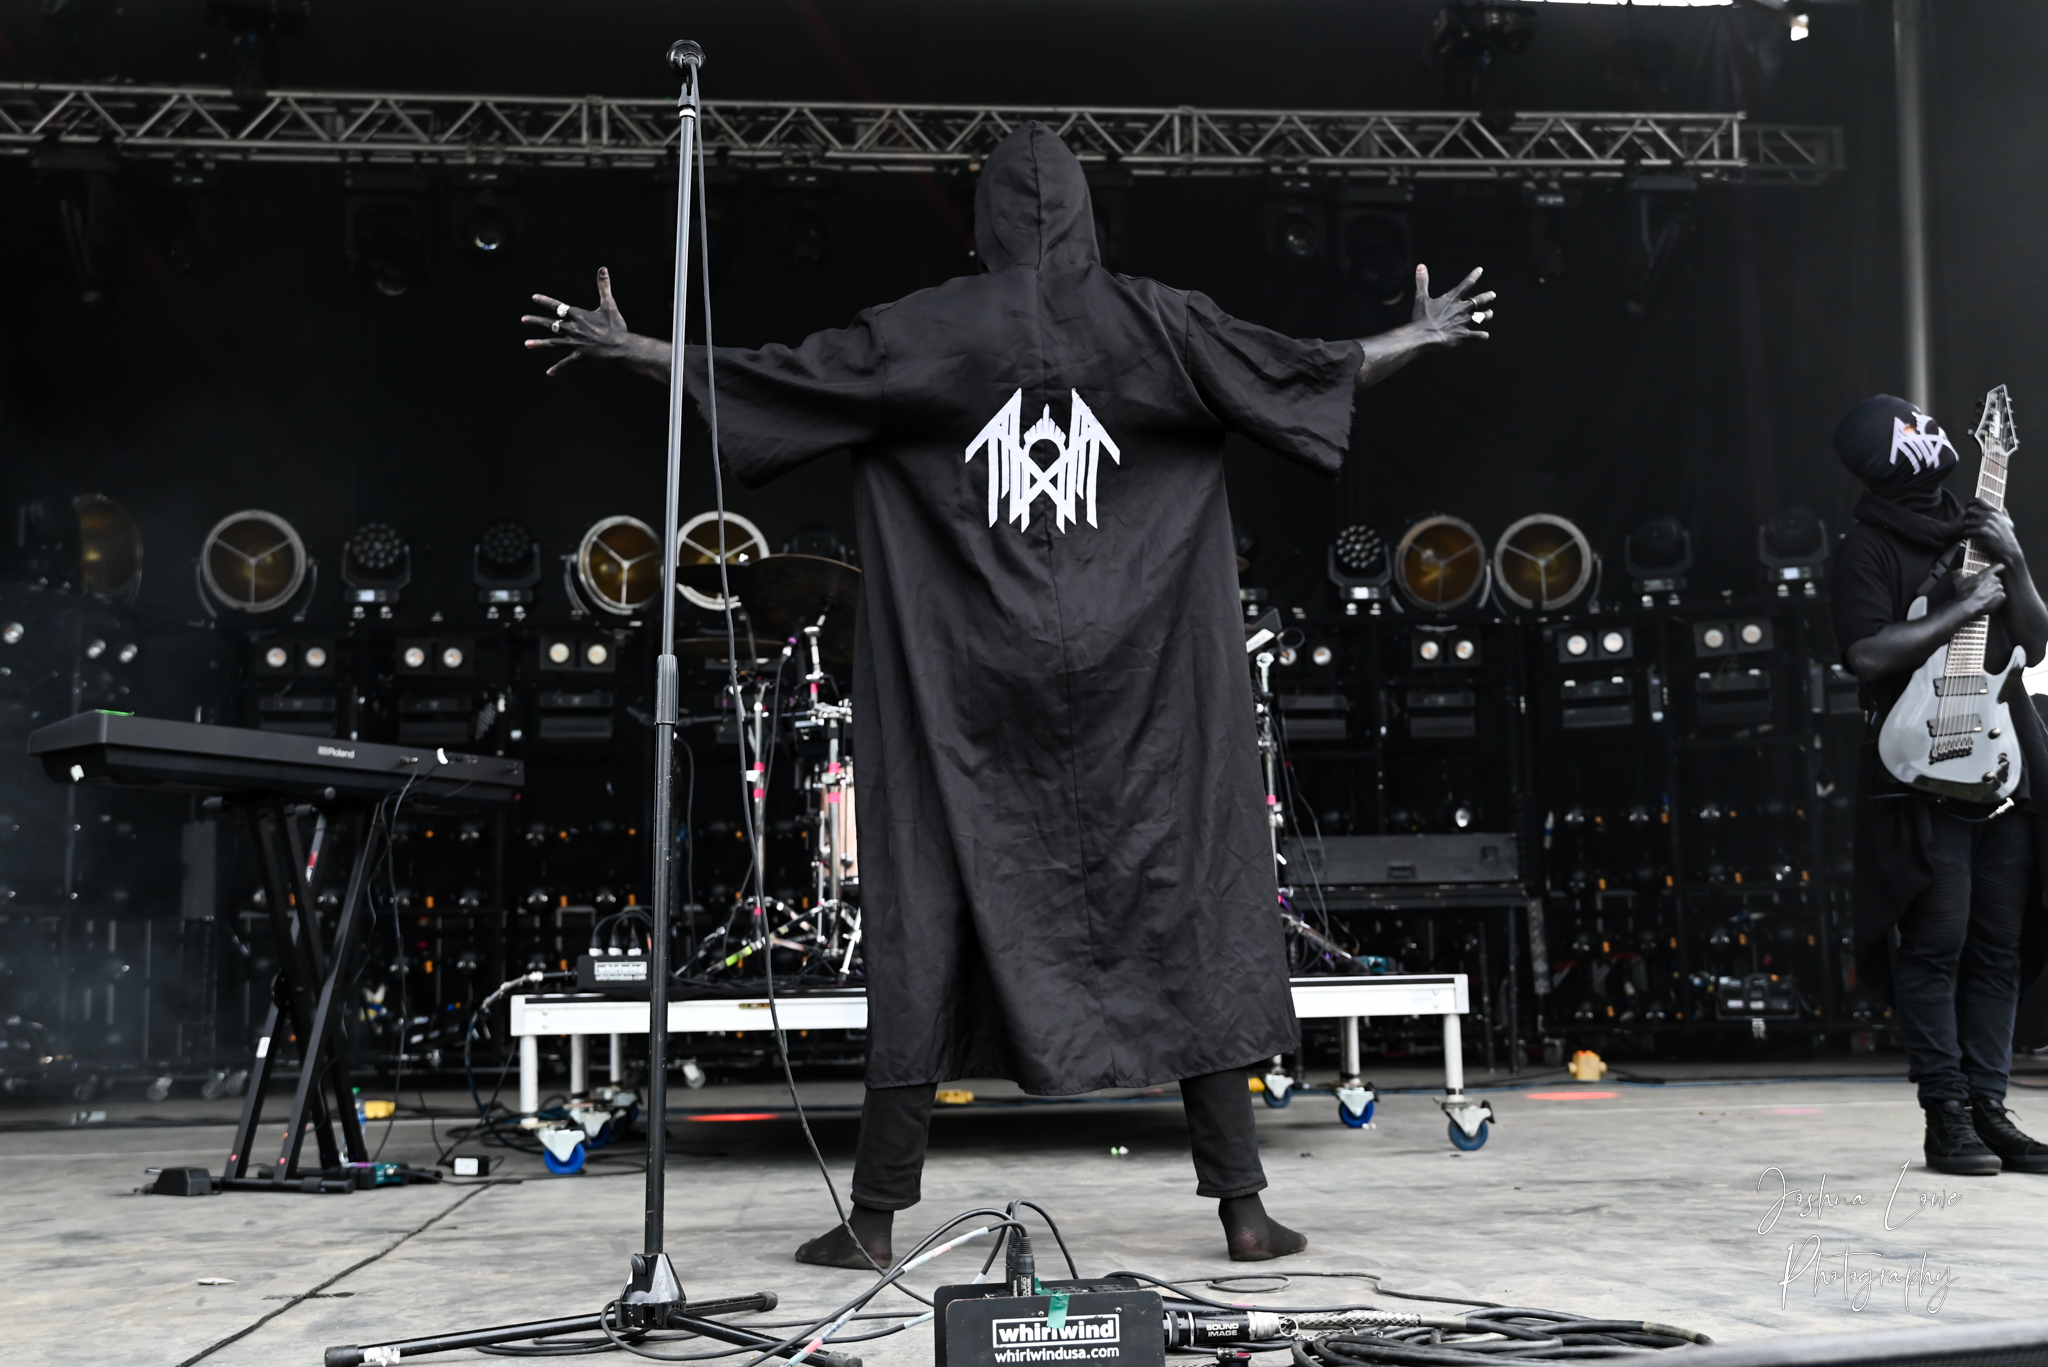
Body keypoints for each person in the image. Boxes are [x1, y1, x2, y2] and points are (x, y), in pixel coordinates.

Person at [522, 123, 1497, 1262]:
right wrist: (1417, 333)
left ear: (981, 226)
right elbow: (1309, 369)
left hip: (966, 704)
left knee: (927, 918)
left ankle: (875, 1219)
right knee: (1185, 905)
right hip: (1144, 699)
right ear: (1085, 217)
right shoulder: (1158, 321)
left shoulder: (921, 330)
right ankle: (1242, 1209)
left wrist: (634, 347)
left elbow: (767, 380)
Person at [1831, 393, 2048, 1177]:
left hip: (2001, 759)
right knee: (1936, 944)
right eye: (1913, 424)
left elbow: (2035, 640)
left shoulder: (1980, 532)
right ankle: (1945, 1114)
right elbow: (1866, 655)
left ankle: (1989, 1108)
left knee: (1996, 945)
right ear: (1887, 454)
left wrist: (2013, 559)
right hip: (1920, 768)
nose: (1931, 428)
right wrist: (1962, 606)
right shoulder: (1865, 549)